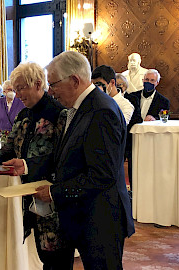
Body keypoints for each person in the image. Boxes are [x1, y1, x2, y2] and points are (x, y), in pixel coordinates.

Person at [28, 51, 134, 269]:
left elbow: (101, 175)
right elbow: (68, 157)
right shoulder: (80, 108)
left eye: (54, 84)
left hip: (101, 218)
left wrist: (54, 193)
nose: (51, 91)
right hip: (85, 215)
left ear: (75, 80)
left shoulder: (101, 111)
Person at [0, 62, 73, 269]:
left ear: (38, 84)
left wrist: (27, 165)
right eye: (15, 89)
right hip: (28, 193)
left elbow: (64, 157)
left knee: (56, 257)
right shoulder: (24, 114)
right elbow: (8, 149)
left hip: (51, 195)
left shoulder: (58, 113)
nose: (17, 94)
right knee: (42, 254)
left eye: (21, 88)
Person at [116, 73, 143, 196]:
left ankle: (133, 191)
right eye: (115, 85)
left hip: (129, 137)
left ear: (125, 86)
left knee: (132, 167)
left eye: (119, 85)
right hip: (117, 139)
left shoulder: (132, 99)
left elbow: (137, 118)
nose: (117, 87)